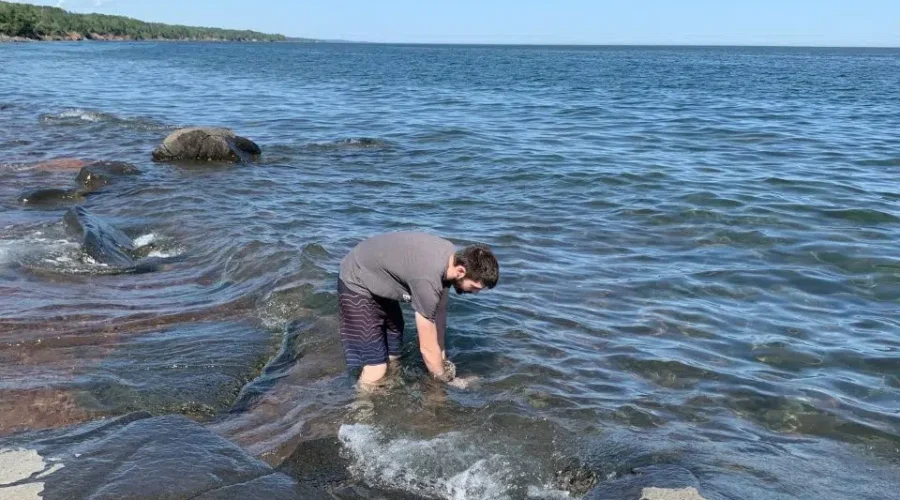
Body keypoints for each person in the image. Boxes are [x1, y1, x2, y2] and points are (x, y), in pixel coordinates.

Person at [338, 232, 499, 387]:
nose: (475, 293)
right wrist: (447, 380)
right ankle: (360, 404)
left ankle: (390, 389)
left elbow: (440, 311)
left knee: (394, 351)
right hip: (357, 279)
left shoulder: (452, 259)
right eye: (474, 287)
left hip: (379, 275)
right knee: (376, 368)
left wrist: (441, 355)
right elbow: (427, 349)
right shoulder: (428, 281)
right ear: (461, 271)